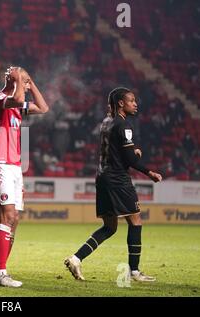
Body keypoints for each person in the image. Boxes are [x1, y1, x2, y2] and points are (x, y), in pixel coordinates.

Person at [64, 87, 163, 282]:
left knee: (110, 227)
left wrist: (130, 153)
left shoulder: (106, 123)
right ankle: (134, 271)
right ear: (121, 103)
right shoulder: (124, 125)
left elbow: (117, 152)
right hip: (118, 180)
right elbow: (130, 160)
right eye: (131, 100)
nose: (135, 104)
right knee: (136, 222)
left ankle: (76, 258)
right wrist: (149, 171)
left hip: (102, 178)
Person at [0, 66, 49, 287]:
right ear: (11, 79)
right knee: (7, 216)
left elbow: (43, 107)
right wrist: (19, 82)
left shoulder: (17, 104)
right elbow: (17, 97)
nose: (26, 83)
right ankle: (1, 273)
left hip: (14, 165)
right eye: (24, 80)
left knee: (15, 219)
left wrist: (31, 83)